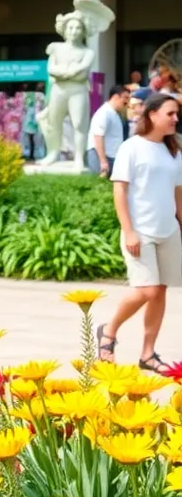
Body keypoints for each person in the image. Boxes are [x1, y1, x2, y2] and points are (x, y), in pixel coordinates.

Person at [97, 92, 182, 375]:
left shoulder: (174, 151)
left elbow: (178, 192)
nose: (175, 119)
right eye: (170, 113)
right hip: (140, 233)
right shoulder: (131, 147)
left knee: (159, 291)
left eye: (176, 114)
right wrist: (129, 231)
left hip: (168, 231)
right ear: (152, 115)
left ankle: (148, 354)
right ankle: (108, 332)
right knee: (145, 290)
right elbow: (119, 190)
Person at [87, 86, 129, 177]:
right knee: (99, 186)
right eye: (125, 98)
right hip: (100, 156)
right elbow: (98, 136)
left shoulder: (114, 114)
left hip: (111, 157)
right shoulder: (104, 113)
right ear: (115, 97)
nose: (127, 102)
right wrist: (103, 161)